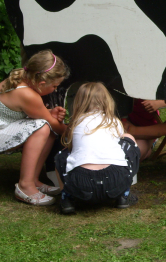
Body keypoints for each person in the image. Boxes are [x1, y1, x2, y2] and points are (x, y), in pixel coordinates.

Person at [0, 50, 69, 206]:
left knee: (47, 128)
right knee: (43, 127)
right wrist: (77, 131)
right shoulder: (28, 95)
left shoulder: (22, 77)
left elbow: (30, 113)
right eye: (54, 86)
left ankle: (33, 180)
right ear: (41, 83)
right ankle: (25, 187)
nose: (55, 90)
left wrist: (49, 113)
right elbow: (54, 125)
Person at [55, 82, 140, 214]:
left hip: (81, 183)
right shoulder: (113, 121)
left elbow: (71, 147)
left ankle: (67, 199)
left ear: (78, 102)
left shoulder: (75, 122)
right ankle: (124, 195)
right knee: (128, 139)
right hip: (115, 180)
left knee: (62, 155)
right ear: (107, 101)